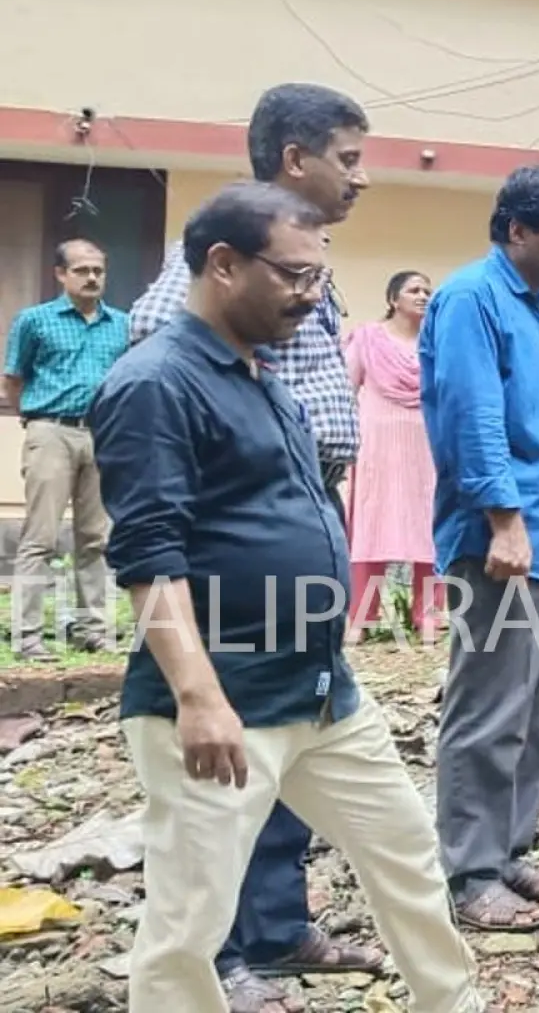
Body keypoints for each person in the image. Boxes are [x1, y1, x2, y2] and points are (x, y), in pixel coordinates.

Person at [95, 182, 482, 1013]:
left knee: (407, 856)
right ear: (224, 265)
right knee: (189, 919)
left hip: (320, 691)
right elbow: (147, 554)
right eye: (295, 277)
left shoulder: (262, 377)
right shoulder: (157, 382)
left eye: (319, 278)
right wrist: (198, 698)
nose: (312, 297)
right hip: (220, 704)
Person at [126, 83, 380, 1011]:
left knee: (297, 727)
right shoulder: (231, 252)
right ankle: (223, 954)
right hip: (236, 540)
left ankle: (277, 926)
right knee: (232, 746)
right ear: (293, 159)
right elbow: (157, 344)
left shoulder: (304, 258)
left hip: (303, 516)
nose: (362, 176)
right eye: (347, 158)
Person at [422, 164, 539, 932]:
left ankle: (511, 846)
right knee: (489, 707)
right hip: (504, 539)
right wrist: (503, 519)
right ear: (517, 231)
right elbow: (473, 415)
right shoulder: (471, 299)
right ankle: (471, 871)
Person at [5, 239, 127, 658]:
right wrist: (36, 424)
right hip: (51, 431)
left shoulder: (121, 325)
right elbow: (14, 379)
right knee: (39, 536)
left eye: (98, 270)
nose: (92, 277)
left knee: (95, 538)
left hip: (102, 435)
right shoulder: (34, 321)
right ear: (60, 274)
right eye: (81, 270)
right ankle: (28, 636)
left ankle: (92, 628)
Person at [344, 271, 440, 646]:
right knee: (371, 527)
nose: (423, 297)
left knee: (427, 527)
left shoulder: (437, 345)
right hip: (377, 447)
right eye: (414, 290)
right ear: (392, 299)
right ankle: (361, 617)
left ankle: (428, 615)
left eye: (427, 291)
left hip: (426, 447)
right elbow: (344, 390)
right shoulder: (368, 339)